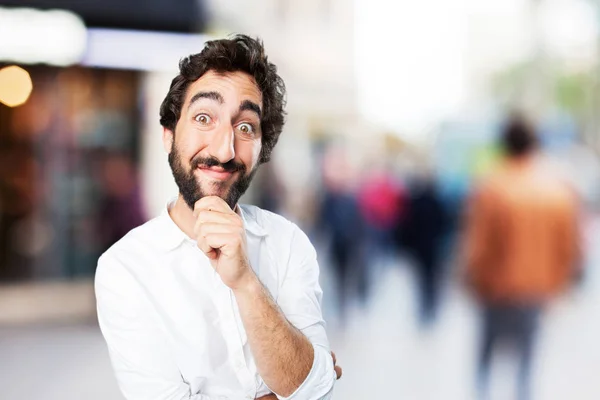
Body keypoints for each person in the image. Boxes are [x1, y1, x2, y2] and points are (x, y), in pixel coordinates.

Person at [95, 35, 341, 400]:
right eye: (204, 117)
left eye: (245, 127)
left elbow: (317, 391)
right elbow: (311, 386)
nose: (224, 151)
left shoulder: (287, 242)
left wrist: (245, 282)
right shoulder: (125, 268)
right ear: (168, 135)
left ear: (262, 148)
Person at [463, 114, 580, 400]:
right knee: (527, 359)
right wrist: (559, 285)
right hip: (536, 289)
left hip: (495, 288)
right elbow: (568, 247)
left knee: (487, 355)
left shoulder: (491, 186)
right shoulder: (557, 189)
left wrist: (470, 279)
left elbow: (478, 243)